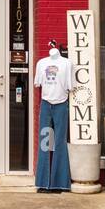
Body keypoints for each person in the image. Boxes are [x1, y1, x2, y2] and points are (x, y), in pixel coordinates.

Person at [34, 39, 74, 192]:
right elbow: (38, 83)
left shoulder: (67, 64)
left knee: (59, 142)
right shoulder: (41, 63)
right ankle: (43, 183)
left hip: (61, 104)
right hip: (46, 104)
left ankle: (60, 183)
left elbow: (71, 86)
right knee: (45, 141)